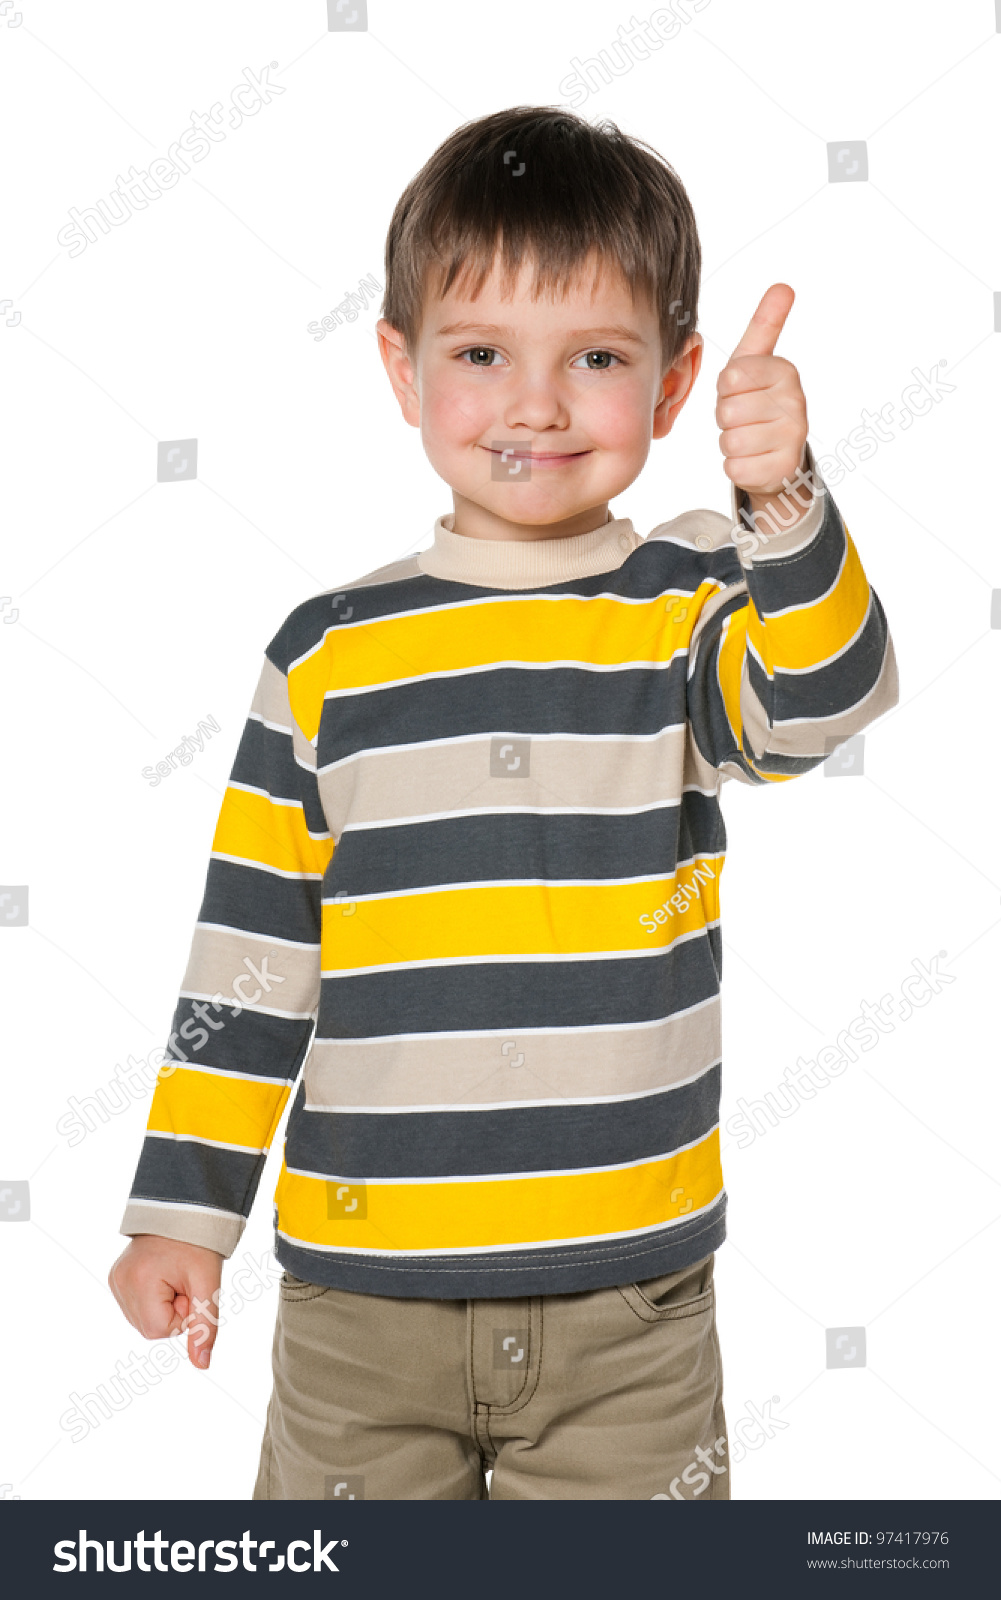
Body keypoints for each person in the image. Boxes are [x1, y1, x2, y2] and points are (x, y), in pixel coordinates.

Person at [108, 106, 898, 1501]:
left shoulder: (690, 602)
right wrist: (185, 1213)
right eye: (482, 356)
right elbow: (250, 955)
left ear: (669, 388)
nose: (535, 405)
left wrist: (779, 498)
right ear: (402, 371)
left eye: (593, 358)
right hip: (362, 1313)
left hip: (627, 1314)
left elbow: (819, 706)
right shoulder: (328, 651)